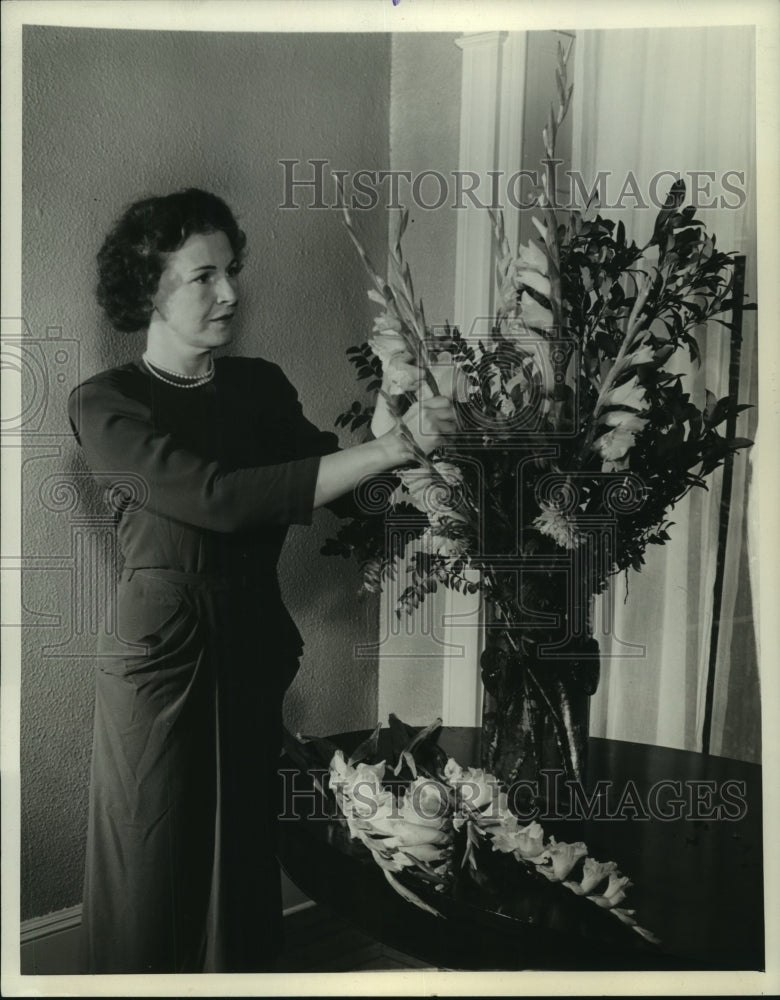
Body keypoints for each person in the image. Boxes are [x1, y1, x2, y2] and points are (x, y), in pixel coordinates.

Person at [68, 188, 456, 974]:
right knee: (154, 859)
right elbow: (217, 497)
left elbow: (347, 494)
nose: (229, 293)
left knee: (246, 852)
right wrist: (389, 449)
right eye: (203, 277)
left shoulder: (259, 385)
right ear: (148, 289)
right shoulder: (105, 404)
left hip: (252, 645)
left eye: (231, 271)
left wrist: (402, 432)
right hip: (162, 663)